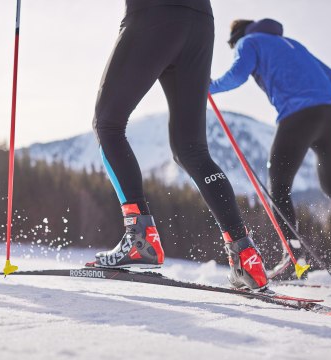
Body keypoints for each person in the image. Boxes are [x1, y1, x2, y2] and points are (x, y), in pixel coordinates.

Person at [89, 0, 268, 291]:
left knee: (107, 124)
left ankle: (140, 238)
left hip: (153, 15)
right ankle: (244, 255)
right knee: (192, 148)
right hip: (199, 22)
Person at [209, 18, 331, 279]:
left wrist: (207, 86)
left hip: (298, 115)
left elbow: (238, 74)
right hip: (330, 113)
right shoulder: (292, 43)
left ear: (236, 37)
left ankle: (294, 260)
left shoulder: (248, 41)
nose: (235, 48)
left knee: (278, 187)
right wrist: (323, 104)